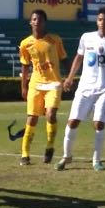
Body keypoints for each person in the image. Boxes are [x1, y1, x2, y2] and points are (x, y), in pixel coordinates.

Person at [57, 7, 105, 171]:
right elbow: (78, 57)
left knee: (99, 124)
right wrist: (69, 78)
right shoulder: (86, 38)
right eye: (99, 19)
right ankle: (66, 156)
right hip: (84, 88)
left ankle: (96, 160)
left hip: (104, 89)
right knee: (73, 121)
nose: (102, 23)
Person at [18, 9, 68, 165]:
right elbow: (25, 67)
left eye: (40, 19)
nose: (37, 22)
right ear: (30, 22)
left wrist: (69, 78)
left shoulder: (55, 40)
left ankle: (49, 146)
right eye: (34, 19)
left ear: (45, 22)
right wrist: (24, 87)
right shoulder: (25, 44)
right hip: (35, 84)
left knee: (51, 114)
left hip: (54, 83)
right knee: (32, 118)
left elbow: (64, 59)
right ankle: (25, 154)